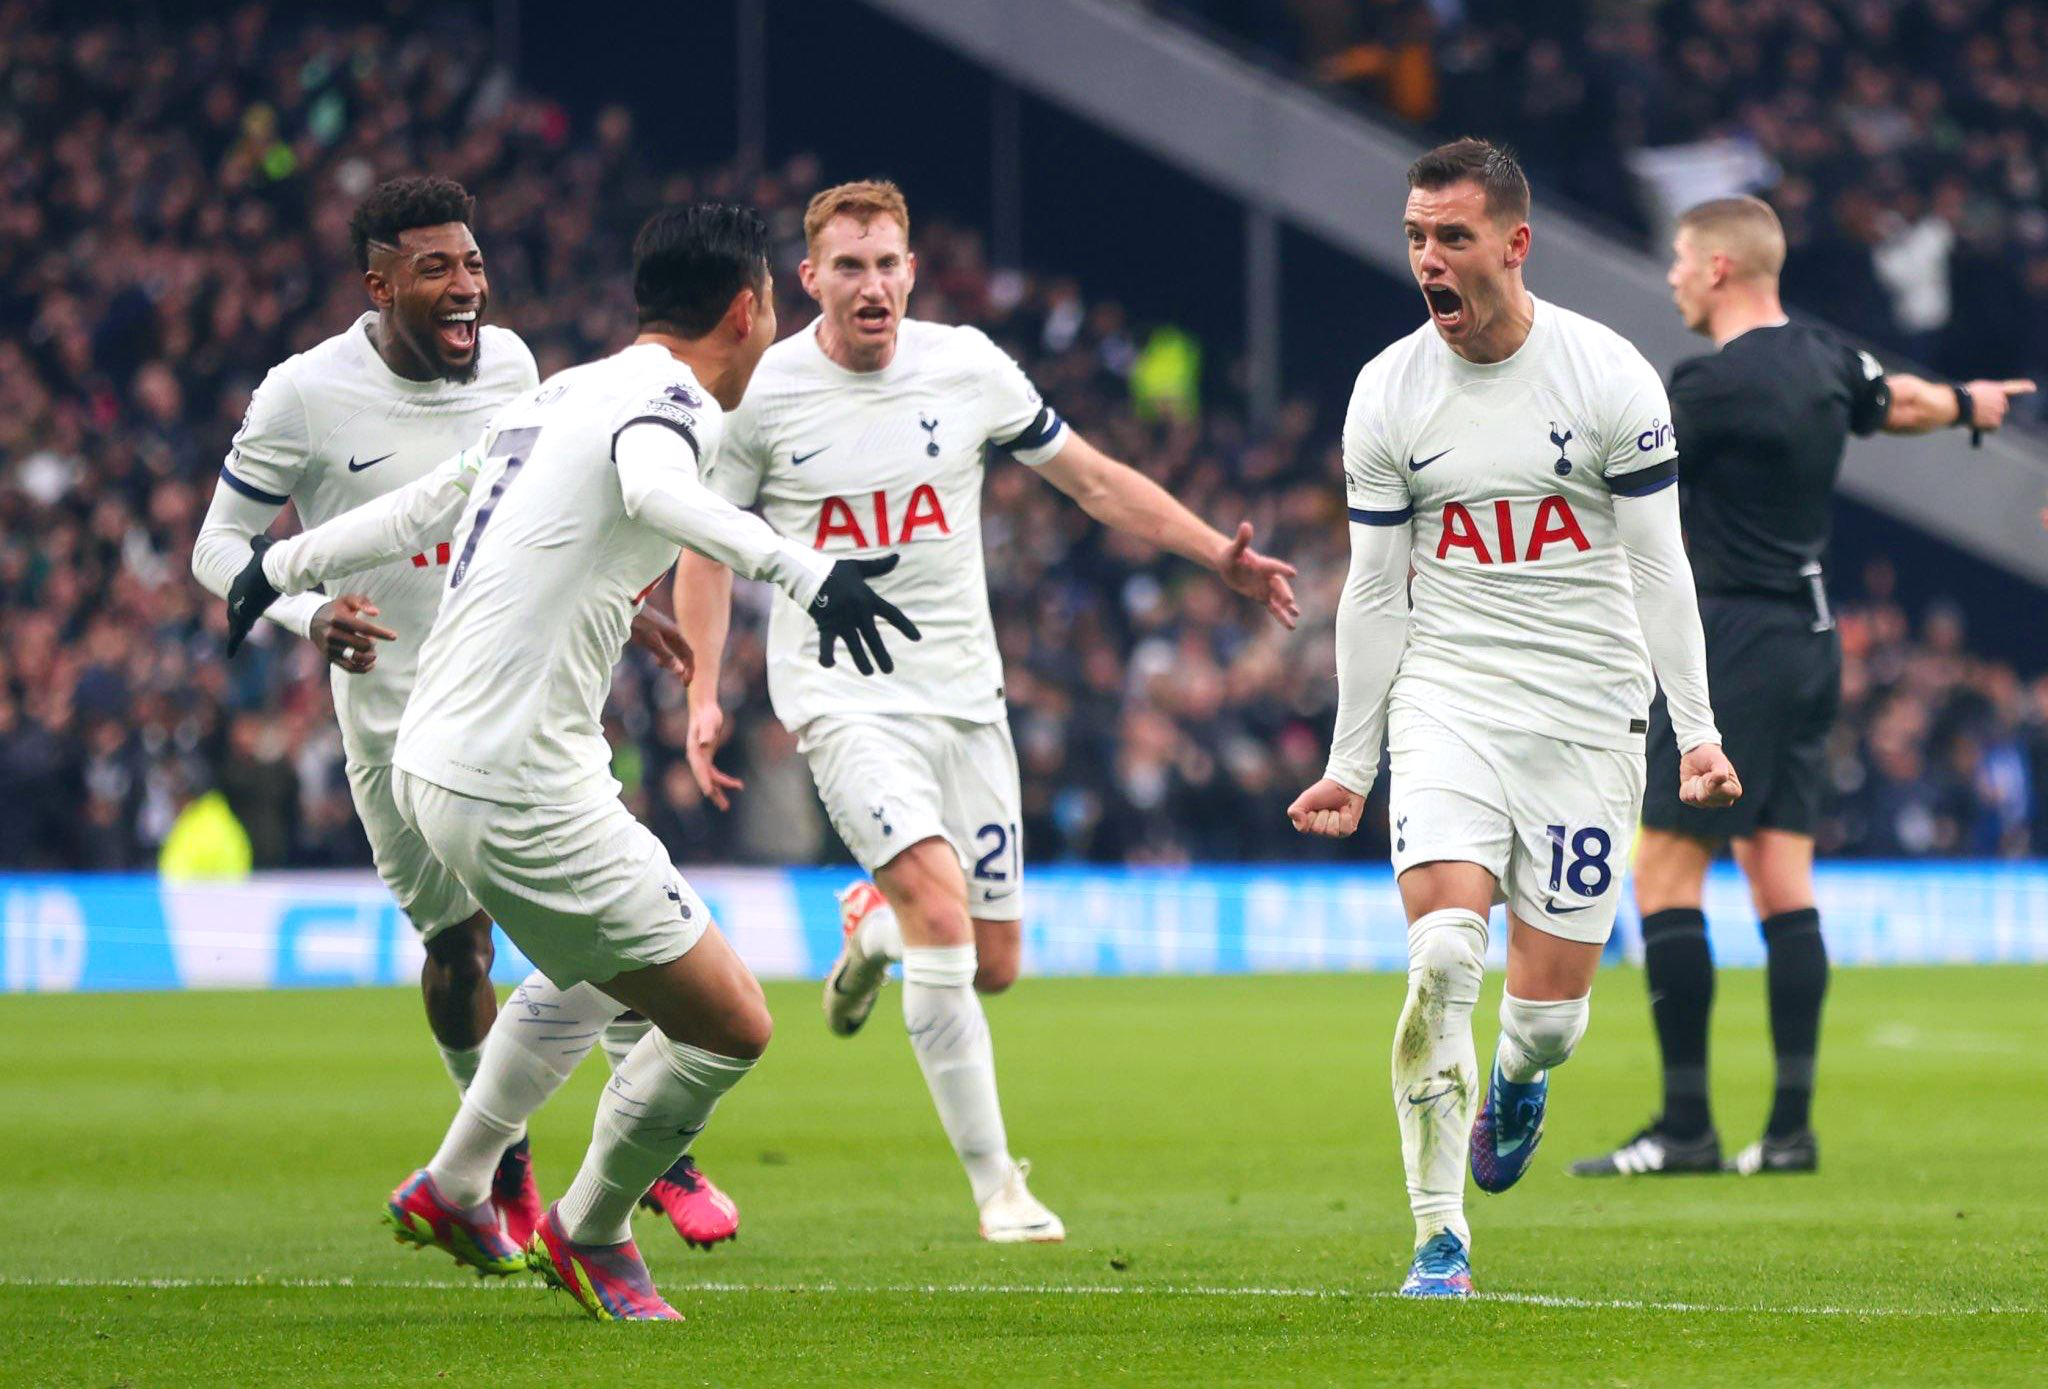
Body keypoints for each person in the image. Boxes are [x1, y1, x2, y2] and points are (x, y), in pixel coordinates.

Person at [226, 202, 917, 1319]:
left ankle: (457, 1183)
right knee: (731, 1025)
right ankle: (590, 1234)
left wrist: (281, 564)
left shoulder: (561, 389)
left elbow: (432, 499)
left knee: (593, 973)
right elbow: (655, 494)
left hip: (434, 764)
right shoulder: (669, 404)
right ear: (747, 311)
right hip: (519, 784)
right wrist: (807, 572)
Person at [674, 180, 1300, 1242]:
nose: (870, 285)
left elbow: (1092, 481)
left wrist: (1216, 557)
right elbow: (699, 535)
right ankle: (997, 1187)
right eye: (849, 266)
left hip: (965, 696)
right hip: (840, 697)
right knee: (939, 908)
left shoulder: (964, 365)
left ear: (910, 273)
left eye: (886, 264)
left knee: (991, 962)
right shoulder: (763, 396)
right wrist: (700, 685)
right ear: (809, 278)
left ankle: (870, 935)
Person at [192, 175, 740, 1252]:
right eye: (437, 268)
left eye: (474, 264)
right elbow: (221, 554)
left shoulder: (514, 365)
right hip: (392, 721)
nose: (466, 288)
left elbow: (534, 516)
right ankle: (506, 1172)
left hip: (521, 699)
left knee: (598, 930)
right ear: (378, 283)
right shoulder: (299, 396)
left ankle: (637, 1160)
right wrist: (306, 615)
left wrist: (624, 608)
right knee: (462, 951)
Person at [1286, 139, 1741, 1299]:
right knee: (1441, 954)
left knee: (1544, 1021)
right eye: (1412, 238)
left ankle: (1520, 1082)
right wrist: (1351, 762)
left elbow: (1656, 569)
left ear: (1512, 244)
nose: (1425, 260)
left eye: (1449, 237)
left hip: (1587, 719)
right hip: (1450, 703)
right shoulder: (1387, 390)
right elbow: (1376, 591)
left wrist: (1694, 731)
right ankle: (1437, 1237)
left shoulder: (1605, 376)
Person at [1569, 196, 2036, 1179]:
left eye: (1680, 261)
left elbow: (1608, 484)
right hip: (1812, 639)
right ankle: (1786, 1129)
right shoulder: (1830, 357)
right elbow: (1897, 402)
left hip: (1730, 635)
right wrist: (1970, 404)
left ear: (1720, 271)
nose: (1669, 277)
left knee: (1662, 872)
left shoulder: (1704, 387)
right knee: (1779, 877)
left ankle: (1685, 1128)